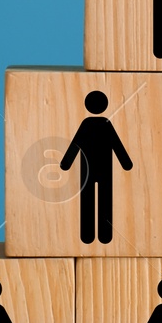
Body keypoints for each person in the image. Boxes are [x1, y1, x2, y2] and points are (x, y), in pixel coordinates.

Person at [59, 90, 133, 245]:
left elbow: (75, 145)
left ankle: (87, 235)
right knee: (104, 200)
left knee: (88, 201)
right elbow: (117, 145)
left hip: (88, 170)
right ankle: (104, 235)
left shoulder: (86, 124)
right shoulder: (105, 124)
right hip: (104, 169)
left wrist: (66, 163)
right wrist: (126, 163)